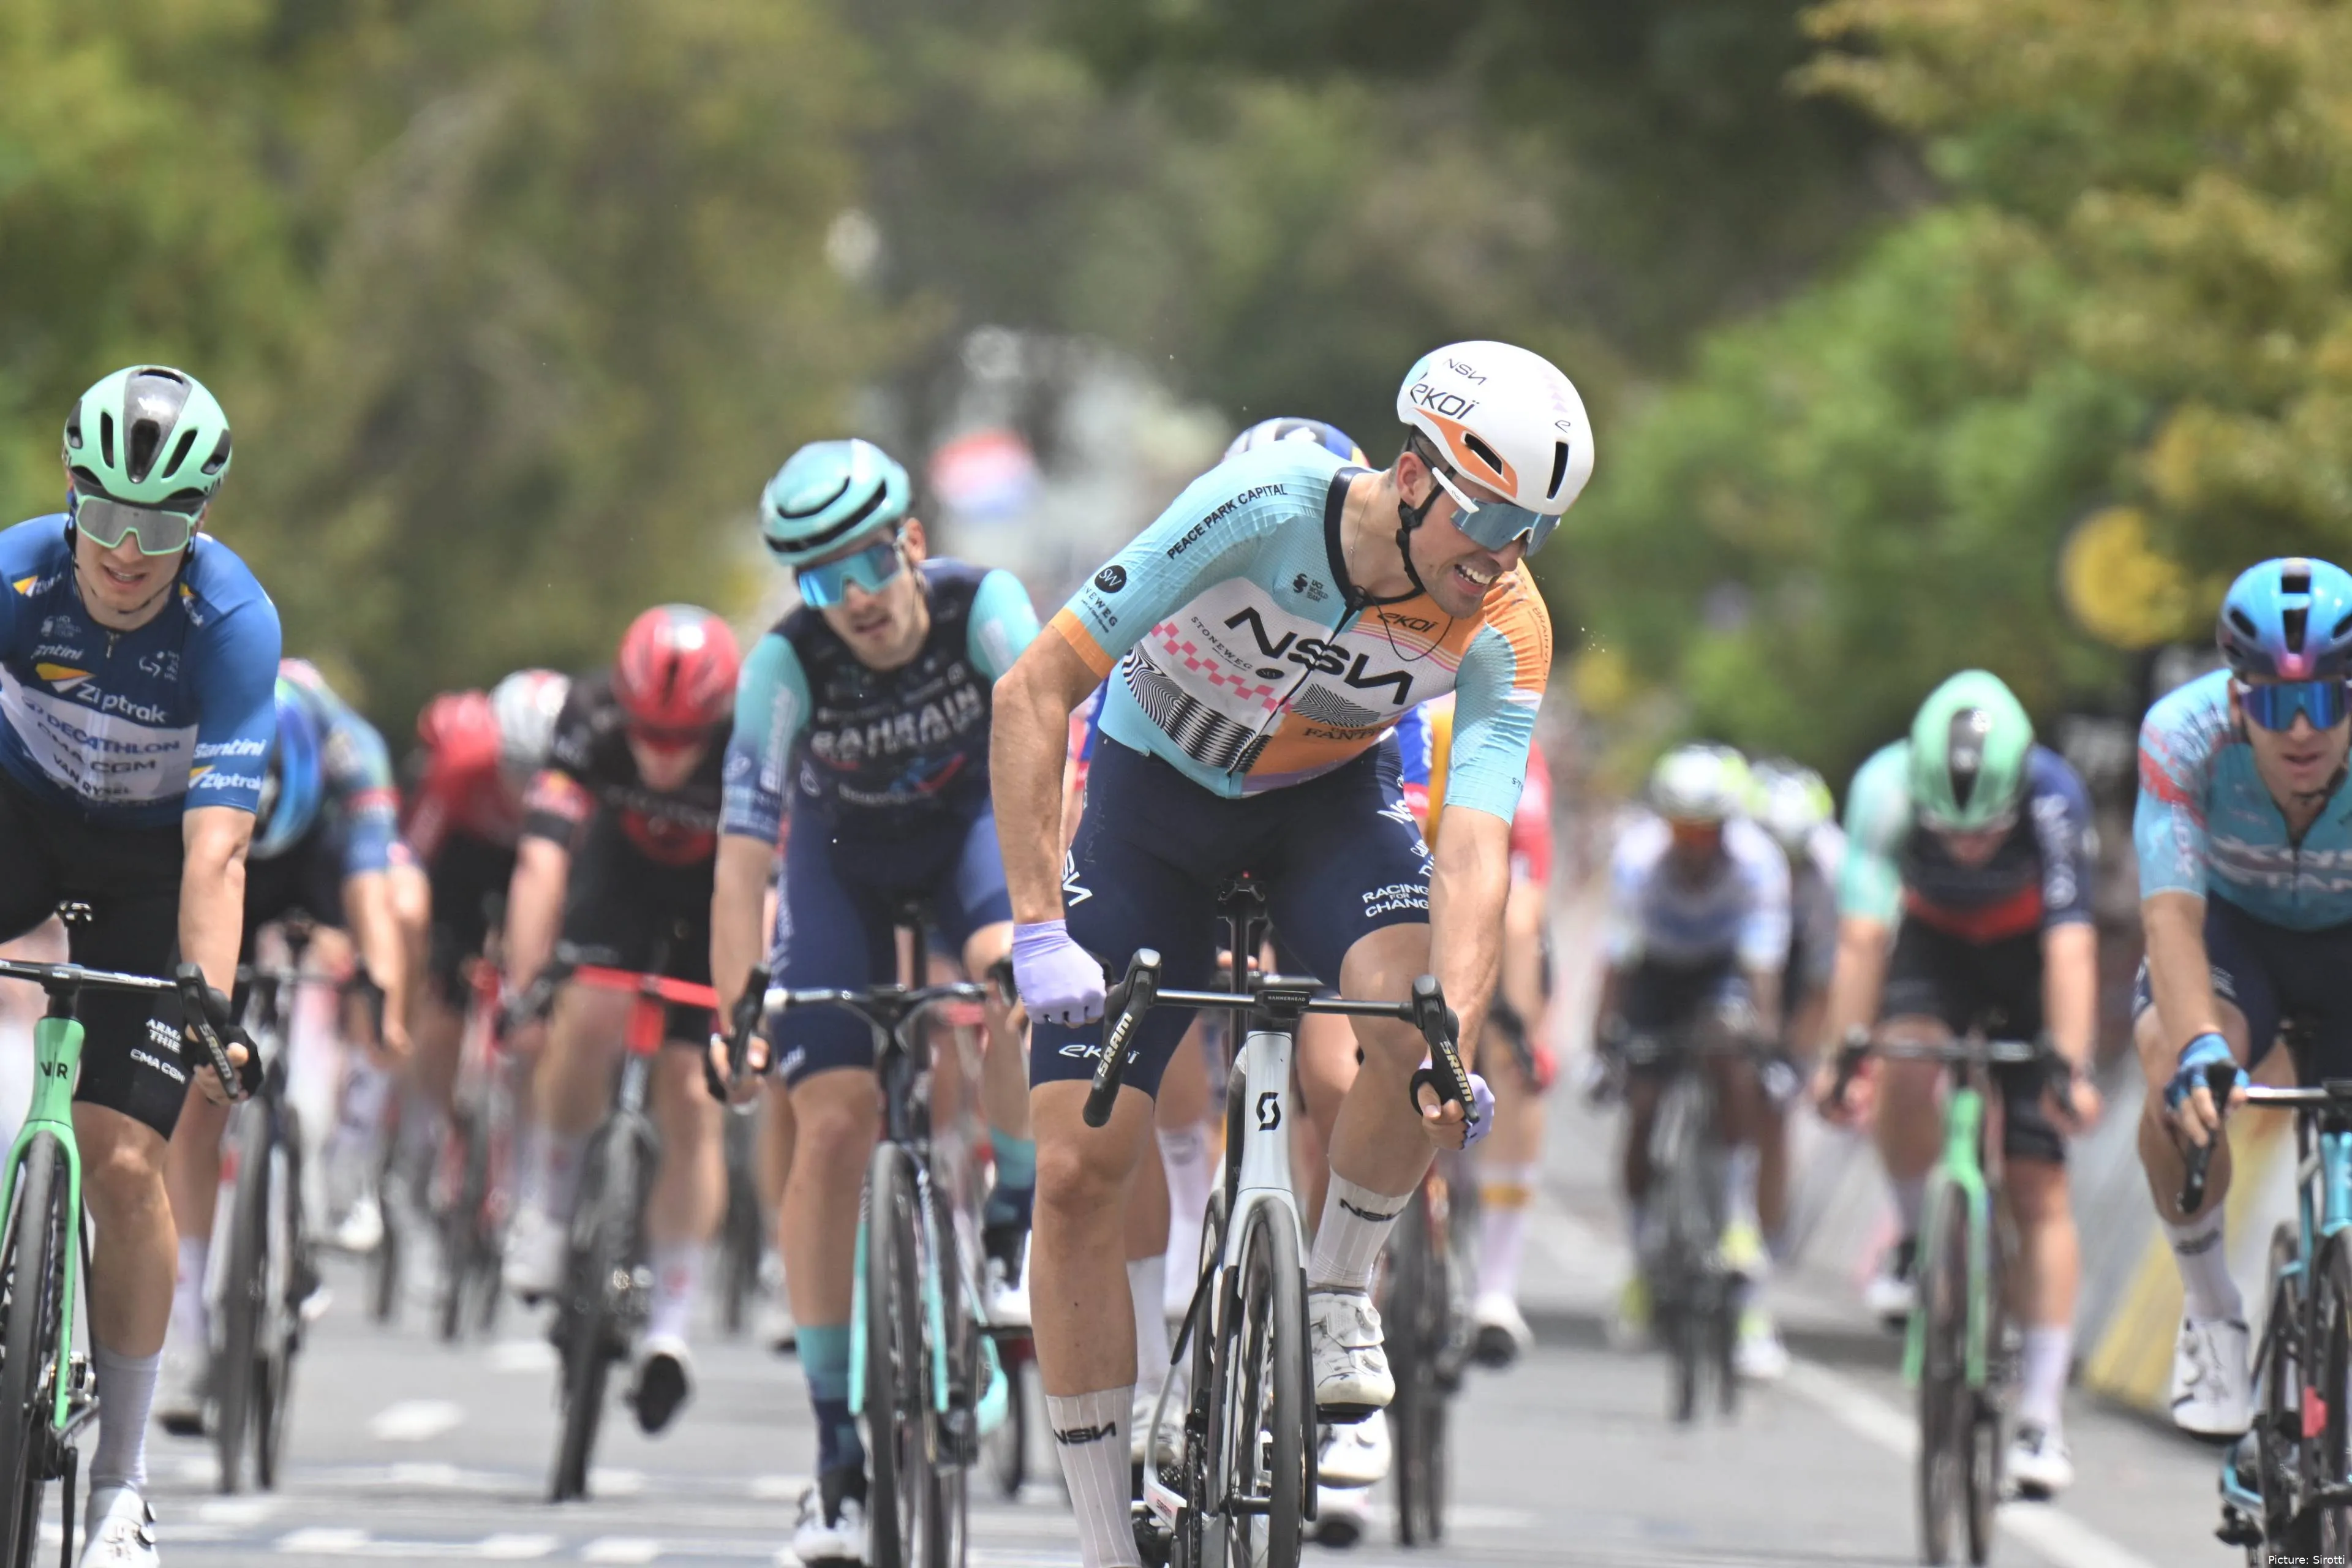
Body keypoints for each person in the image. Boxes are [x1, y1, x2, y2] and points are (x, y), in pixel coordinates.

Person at [992, 341, 1585, 1568]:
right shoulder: (1256, 509)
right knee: (1074, 1170)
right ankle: (1109, 1538)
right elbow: (1034, 688)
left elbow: (1473, 845)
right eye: (1488, 520)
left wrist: (1455, 1035)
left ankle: (1331, 1289)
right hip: (1153, 807)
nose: (1502, 556)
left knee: (1414, 1030)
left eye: (1533, 532)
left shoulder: (1505, 618)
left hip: (1326, 809)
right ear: (1416, 474)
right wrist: (1040, 925)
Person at [707, 437, 1040, 1565]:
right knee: (833, 1121)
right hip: (838, 869)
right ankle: (835, 1458)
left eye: (864, 567)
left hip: (969, 849)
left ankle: (1008, 1227)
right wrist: (733, 1015)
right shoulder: (784, 669)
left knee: (1015, 974)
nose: (852, 602)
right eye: (819, 581)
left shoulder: (983, 610)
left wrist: (1057, 931)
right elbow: (743, 856)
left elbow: (1056, 767)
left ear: (911, 545)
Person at [0, 366, 277, 1566]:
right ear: (72, 491)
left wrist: (205, 1001)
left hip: (149, 873)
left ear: (199, 520)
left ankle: (121, 1482)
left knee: (124, 1163)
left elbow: (216, 848)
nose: (125, 549)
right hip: (18, 816)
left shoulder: (231, 624)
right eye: (105, 512)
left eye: (158, 525)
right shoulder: (15, 575)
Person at [1814, 670, 2101, 1497]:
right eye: (1952, 833)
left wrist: (2071, 1068)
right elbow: (1865, 938)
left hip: (2025, 962)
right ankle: (1911, 1241)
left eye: (1987, 833)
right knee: (1902, 1061)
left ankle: (2042, 1418)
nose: (1970, 848)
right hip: (1934, 953)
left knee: (2040, 1183)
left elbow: (2072, 946)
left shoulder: (2053, 792)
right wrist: (1842, 1060)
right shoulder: (1883, 787)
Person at [502, 605, 739, 1438]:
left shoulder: (753, 735)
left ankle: (672, 1327)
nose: (664, 755)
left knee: (693, 1093)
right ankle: (553, 1203)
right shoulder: (591, 718)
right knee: (587, 1009)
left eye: (686, 740)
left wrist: (749, 1011)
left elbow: (772, 883)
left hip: (719, 899)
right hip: (620, 879)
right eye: (650, 735)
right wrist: (524, 987)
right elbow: (540, 858)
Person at [2132, 557, 2352, 1443]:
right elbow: (2172, 919)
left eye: (2328, 703)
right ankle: (2212, 1307)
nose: (2301, 732)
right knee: (2176, 1072)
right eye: (2272, 705)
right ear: (2235, 701)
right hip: (2234, 936)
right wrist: (2199, 1056)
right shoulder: (2180, 737)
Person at [158, 660, 410, 1431]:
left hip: (317, 863)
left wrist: (385, 1004)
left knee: (377, 964)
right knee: (192, 1095)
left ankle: (340, 1161)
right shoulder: (184, 736)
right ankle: (185, 1333)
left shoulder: (353, 758)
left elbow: (372, 904)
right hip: (214, 846)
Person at [1593, 744, 1792, 1379]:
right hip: (1655, 973)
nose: (1694, 843)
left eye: (1705, 830)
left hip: (1720, 975)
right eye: (1682, 828)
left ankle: (1733, 1216)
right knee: (1643, 1105)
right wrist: (1606, 1043)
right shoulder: (1638, 859)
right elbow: (1618, 957)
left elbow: (1764, 964)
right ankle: (1642, 1255)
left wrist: (1763, 1040)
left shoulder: (1759, 864)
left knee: (1734, 1057)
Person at [1398, 687, 1559, 1368]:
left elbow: (1521, 906)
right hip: (1406, 898)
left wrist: (1519, 1031)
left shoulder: (1506, 746)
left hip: (1492, 915)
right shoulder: (1395, 736)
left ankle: (1498, 1286)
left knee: (1514, 1049)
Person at [1746, 759, 1843, 1257]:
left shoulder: (1831, 870)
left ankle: (1767, 1231)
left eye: (1795, 859)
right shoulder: (1735, 852)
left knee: (1775, 1106)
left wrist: (1792, 1055)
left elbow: (1822, 984)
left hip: (1796, 959)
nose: (1784, 871)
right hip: (1733, 949)